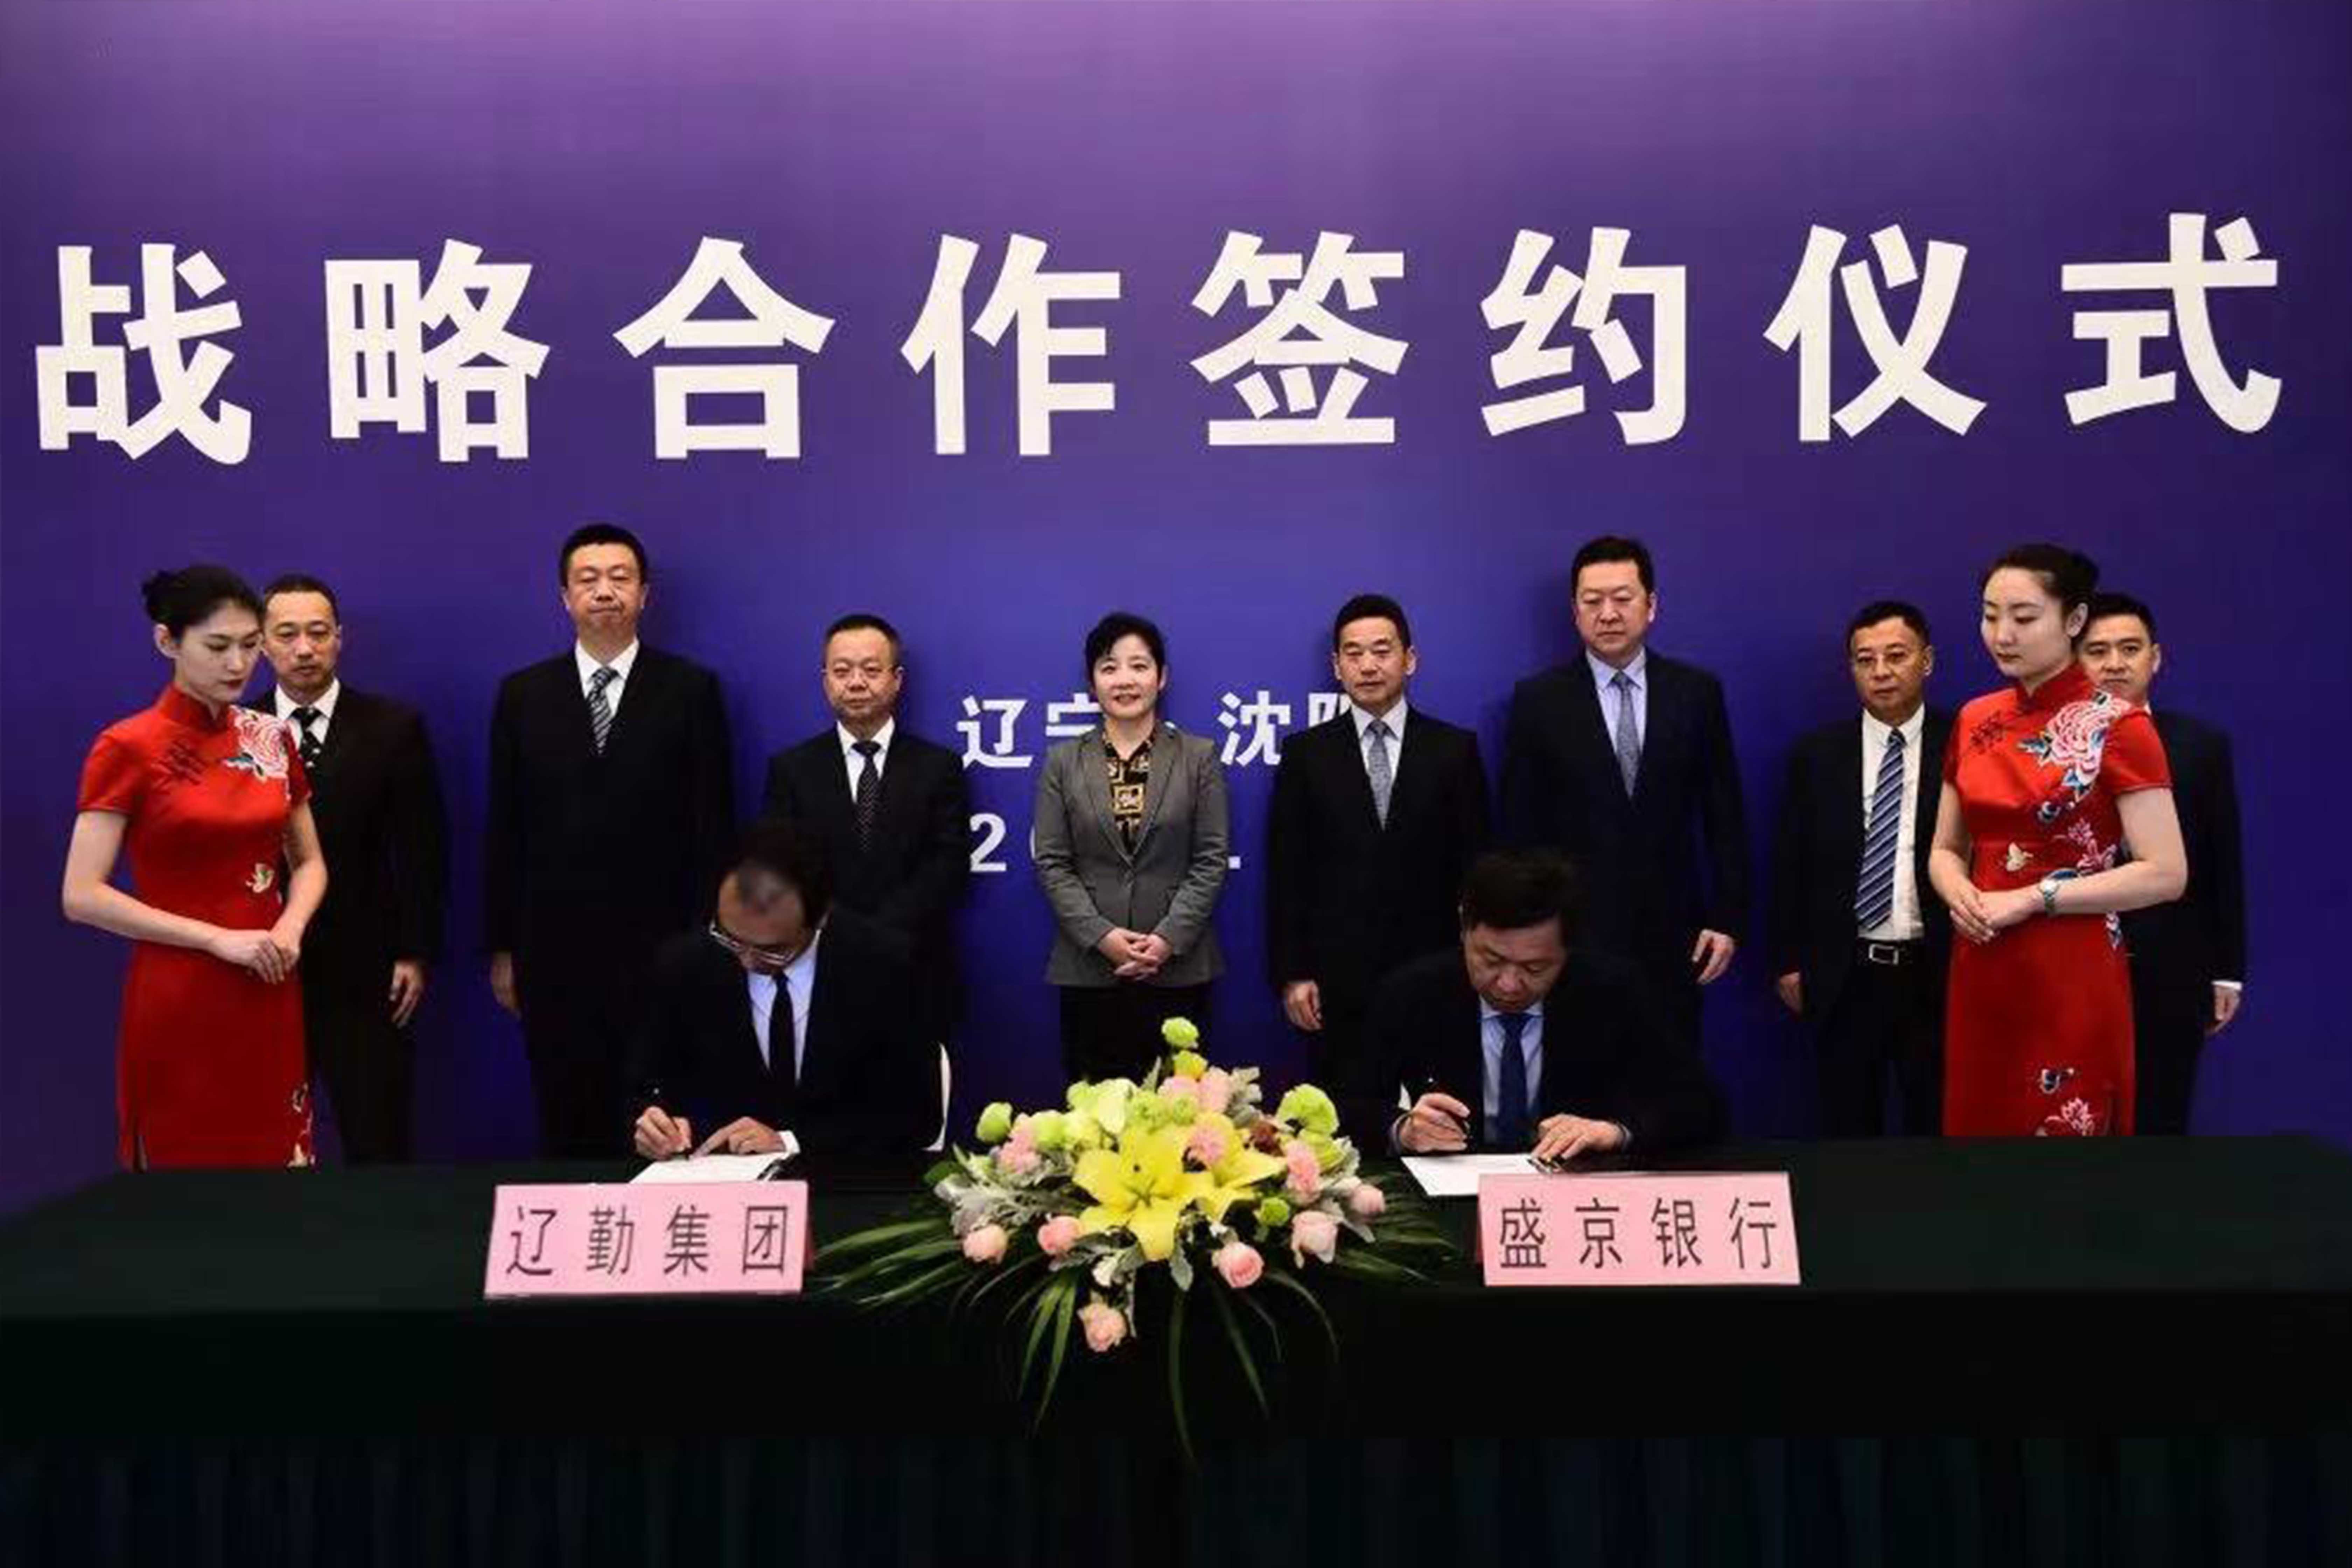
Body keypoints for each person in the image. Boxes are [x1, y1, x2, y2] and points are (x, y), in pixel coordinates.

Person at [61, 566, 324, 1169]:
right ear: (167, 642)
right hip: (181, 985)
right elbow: (81, 894)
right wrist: (216, 939)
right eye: (218, 646)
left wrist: (289, 930)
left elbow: (309, 862)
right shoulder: (127, 746)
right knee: (186, 1174)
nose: (238, 663)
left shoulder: (270, 737)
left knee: (276, 1165)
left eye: (251, 645)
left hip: (270, 978)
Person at [486, 524, 735, 1157]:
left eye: (620, 578)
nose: (605, 591)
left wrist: (710, 942)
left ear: (645, 594)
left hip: (662, 944)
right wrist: (503, 947)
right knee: (565, 1116)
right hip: (552, 949)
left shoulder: (690, 690)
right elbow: (505, 828)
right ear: (564, 597)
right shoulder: (523, 695)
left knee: (661, 1121)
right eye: (588, 579)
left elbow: (712, 825)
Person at [1928, 546, 2186, 1137]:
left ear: (2074, 620)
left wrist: (2031, 899)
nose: (2002, 635)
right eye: (1990, 615)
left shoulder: (2120, 725)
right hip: (1981, 956)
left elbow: (2167, 873)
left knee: (2065, 1146)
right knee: (1978, 1135)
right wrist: (1956, 890)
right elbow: (1945, 848)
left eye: (2024, 617)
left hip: (2072, 963)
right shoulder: (1974, 719)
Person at [1500, 535, 1747, 1049]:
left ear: (1651, 605)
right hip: (1574, 937)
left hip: (1675, 934)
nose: (1608, 614)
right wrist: (1531, 929)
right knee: (1579, 1073)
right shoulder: (1538, 701)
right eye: (1593, 601)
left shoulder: (1696, 693)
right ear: (1575, 612)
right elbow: (1520, 830)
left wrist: (1726, 918)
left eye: (1622, 598)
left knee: (1671, 1072)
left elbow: (1724, 814)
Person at [1358, 849, 1724, 1162]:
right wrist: (1403, 1129)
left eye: (1535, 968)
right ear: (1463, 927)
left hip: (1575, 1196)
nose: (1509, 984)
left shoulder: (1614, 991)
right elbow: (1347, 1105)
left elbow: (1698, 1105)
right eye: (1491, 960)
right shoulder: (1412, 993)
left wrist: (1614, 1132)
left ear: (1567, 950)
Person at [1265, 593, 1488, 1100]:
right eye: (1354, 653)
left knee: (1439, 1116)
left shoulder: (1454, 750)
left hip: (1436, 968)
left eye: (1382, 651)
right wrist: (1293, 974)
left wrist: (1477, 962)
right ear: (1337, 666)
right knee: (1344, 1116)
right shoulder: (1306, 754)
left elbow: (1477, 868)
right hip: (1337, 978)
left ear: (1410, 659)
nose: (1368, 665)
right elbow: (1288, 872)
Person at [259, 574, 449, 1162]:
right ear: (262, 644)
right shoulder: (239, 729)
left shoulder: (392, 728)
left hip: (368, 967)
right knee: (265, 1137)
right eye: (287, 634)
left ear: (340, 638)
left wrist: (414, 952)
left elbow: (422, 849)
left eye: (318, 633)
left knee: (378, 1133)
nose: (304, 649)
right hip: (263, 962)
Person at [629, 819, 937, 1161]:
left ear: (820, 918)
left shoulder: (884, 965)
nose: (746, 961)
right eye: (731, 938)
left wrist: (790, 1141)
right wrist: (653, 1122)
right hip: (722, 1177)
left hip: (844, 1178)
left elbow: (916, 1117)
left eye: (772, 950)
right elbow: (645, 1085)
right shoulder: (686, 965)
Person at [1769, 601, 1953, 1136]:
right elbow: (1790, 863)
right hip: (1846, 972)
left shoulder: (1965, 744)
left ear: (1927, 661)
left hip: (1936, 969)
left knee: (1936, 1123)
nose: (1881, 672)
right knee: (1847, 1127)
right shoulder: (1817, 755)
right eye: (1865, 660)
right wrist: (1788, 960)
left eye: (1897, 656)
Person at [1033, 612, 1230, 1082]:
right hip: (1088, 968)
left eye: (1139, 666)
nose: (1125, 680)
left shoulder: (1198, 757)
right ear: (1092, 683)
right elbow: (1053, 862)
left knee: (1182, 1108)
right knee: (1092, 1112)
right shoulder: (1063, 762)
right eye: (1109, 667)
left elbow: (1211, 858)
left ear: (1162, 677)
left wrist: (1166, 940)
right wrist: (1103, 937)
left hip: (1179, 968)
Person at [760, 613, 971, 1049]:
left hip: (915, 963)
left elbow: (948, 865)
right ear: (826, 681)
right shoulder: (792, 770)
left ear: (897, 680)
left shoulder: (939, 767)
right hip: (819, 970)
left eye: (871, 670)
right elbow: (781, 867)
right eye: (842, 671)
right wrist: (839, 933)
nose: (856, 682)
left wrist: (879, 934)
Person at [2080, 592, 2247, 1134]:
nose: (2114, 664)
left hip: (2173, 966)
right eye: (2097, 651)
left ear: (2155, 658)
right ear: (2074, 661)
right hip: (2074, 962)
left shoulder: (2201, 746)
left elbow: (2222, 859)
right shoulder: (2049, 749)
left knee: (2161, 1124)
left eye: (2130, 649)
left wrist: (2228, 971)